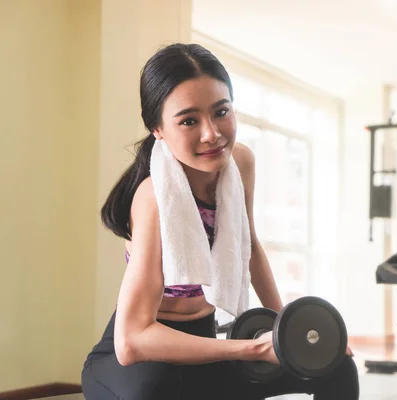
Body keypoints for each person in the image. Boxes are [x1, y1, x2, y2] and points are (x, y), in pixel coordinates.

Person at [80, 43, 359, 400]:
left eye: (221, 112)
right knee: (153, 388)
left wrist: (286, 333)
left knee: (333, 367)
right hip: (136, 362)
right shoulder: (152, 198)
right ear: (158, 130)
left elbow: (249, 245)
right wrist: (253, 349)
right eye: (189, 120)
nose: (212, 133)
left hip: (203, 345)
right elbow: (131, 342)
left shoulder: (240, 162)